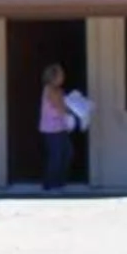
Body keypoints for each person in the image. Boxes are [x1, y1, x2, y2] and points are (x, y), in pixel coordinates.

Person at [38, 63, 76, 192]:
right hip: (51, 129)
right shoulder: (49, 89)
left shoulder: (59, 90)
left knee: (67, 152)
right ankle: (49, 184)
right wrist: (68, 118)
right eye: (60, 75)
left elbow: (65, 105)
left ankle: (60, 182)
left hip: (61, 127)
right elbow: (59, 106)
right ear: (53, 77)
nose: (63, 77)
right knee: (56, 155)